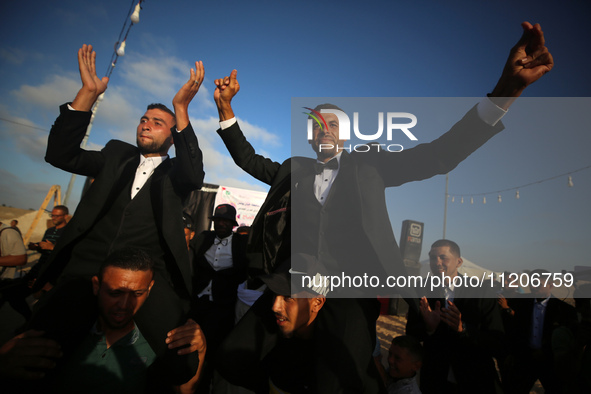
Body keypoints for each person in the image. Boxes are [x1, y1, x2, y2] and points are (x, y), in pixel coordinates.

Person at [213, 22, 553, 294]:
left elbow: (438, 155)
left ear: (345, 135)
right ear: (309, 136)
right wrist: (225, 107)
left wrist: (505, 92)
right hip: (293, 288)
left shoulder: (370, 165)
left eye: (332, 124)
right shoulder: (293, 169)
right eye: (316, 126)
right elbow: (248, 159)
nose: (324, 130)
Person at [30, 44, 205, 384]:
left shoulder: (176, 174)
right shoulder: (115, 153)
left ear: (171, 137)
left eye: (157, 122)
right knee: (35, 349)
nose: (146, 125)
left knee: (179, 363)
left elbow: (195, 173)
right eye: (143, 120)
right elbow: (60, 154)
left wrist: (180, 108)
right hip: (85, 270)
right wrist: (87, 95)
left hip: (147, 279)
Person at [0, 248, 206, 394]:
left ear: (150, 289)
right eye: (115, 293)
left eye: (137, 293)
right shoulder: (65, 331)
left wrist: (201, 348)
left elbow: (185, 389)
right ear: (96, 286)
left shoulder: (155, 338)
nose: (124, 305)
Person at [218, 254, 386, 393]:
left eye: (288, 297)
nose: (275, 307)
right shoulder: (275, 350)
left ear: (317, 303)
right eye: (274, 296)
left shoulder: (335, 363)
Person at [405, 239, 504, 394]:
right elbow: (411, 333)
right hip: (435, 380)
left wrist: (463, 329)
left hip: (474, 380)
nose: (436, 262)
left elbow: (498, 342)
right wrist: (429, 329)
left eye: (443, 257)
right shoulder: (421, 290)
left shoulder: (481, 292)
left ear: (458, 262)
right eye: (432, 257)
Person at [189, 204, 248, 392]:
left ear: (232, 224)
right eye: (218, 220)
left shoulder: (241, 244)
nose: (221, 224)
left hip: (224, 304)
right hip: (198, 301)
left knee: (213, 348)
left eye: (226, 221)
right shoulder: (203, 238)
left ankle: (205, 384)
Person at [501, 268, 579, 393]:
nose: (533, 287)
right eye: (532, 283)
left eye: (538, 284)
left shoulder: (564, 310)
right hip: (525, 360)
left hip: (550, 363)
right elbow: (515, 330)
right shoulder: (521, 304)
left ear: (550, 285)